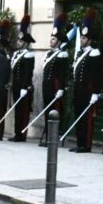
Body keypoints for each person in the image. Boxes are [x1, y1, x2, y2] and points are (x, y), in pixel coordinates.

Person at [70, 9, 102, 153]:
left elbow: (96, 74)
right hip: (78, 90)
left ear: (89, 40)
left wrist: (95, 92)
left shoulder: (94, 53)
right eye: (81, 38)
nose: (81, 40)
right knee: (78, 116)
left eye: (84, 38)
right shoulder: (79, 53)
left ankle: (86, 145)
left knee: (87, 119)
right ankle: (79, 143)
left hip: (88, 91)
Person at [40, 14, 69, 146]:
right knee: (47, 110)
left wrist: (61, 89)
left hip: (55, 86)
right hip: (46, 85)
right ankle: (48, 137)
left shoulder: (62, 54)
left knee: (55, 111)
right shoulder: (48, 54)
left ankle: (53, 138)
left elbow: (63, 73)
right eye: (51, 38)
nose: (51, 41)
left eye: (53, 39)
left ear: (59, 41)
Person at [10, 16, 36, 142]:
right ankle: (17, 133)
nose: (18, 42)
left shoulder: (29, 55)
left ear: (26, 43)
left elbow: (28, 73)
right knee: (17, 110)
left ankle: (21, 134)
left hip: (23, 88)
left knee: (23, 111)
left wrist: (24, 87)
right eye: (18, 40)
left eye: (20, 41)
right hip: (16, 86)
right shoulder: (16, 54)